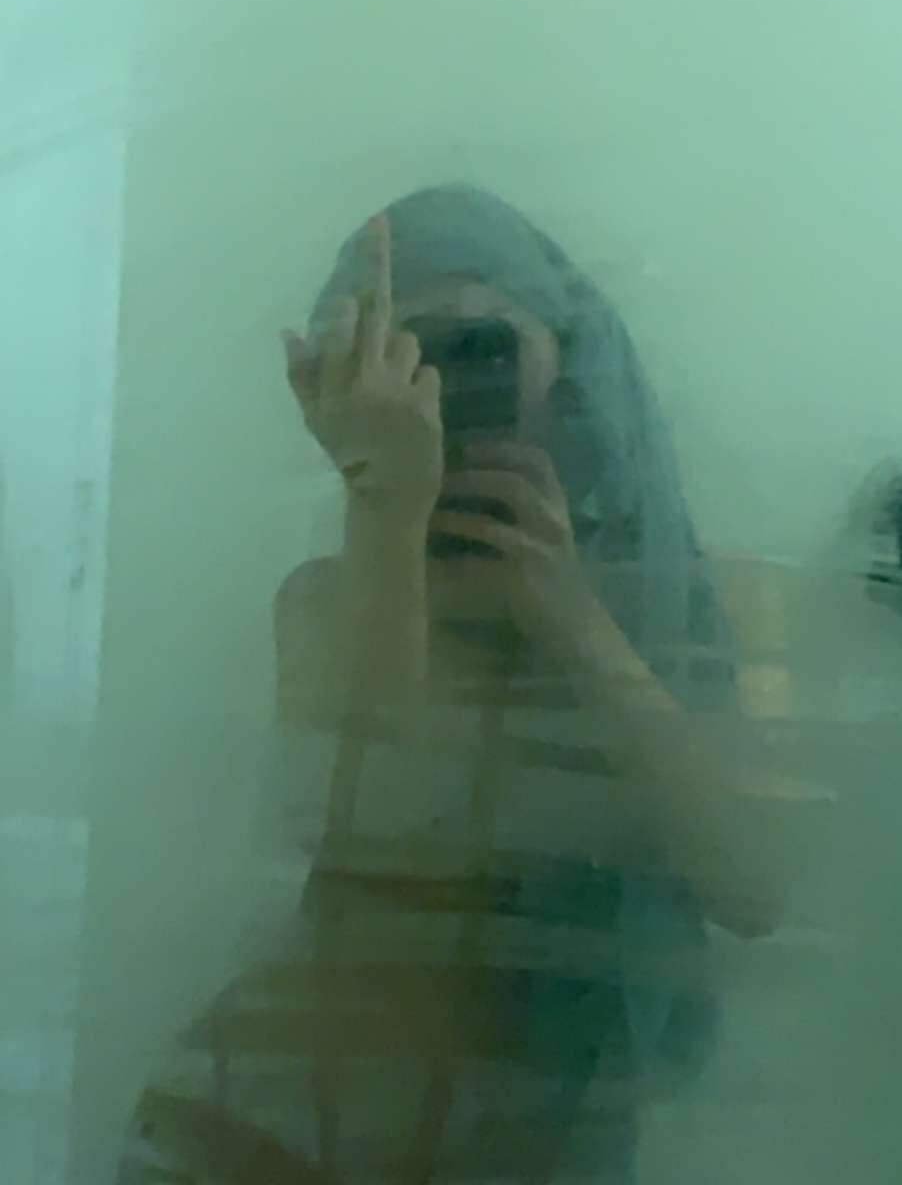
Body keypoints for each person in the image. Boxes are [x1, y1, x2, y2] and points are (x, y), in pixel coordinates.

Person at [116, 183, 804, 1184]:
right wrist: (386, 509)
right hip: (283, 1131)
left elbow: (755, 887)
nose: (443, 385)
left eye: (478, 342)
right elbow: (364, 836)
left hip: (539, 1145)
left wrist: (571, 614)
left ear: (567, 351)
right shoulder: (329, 596)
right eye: (407, 356)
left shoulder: (707, 598)